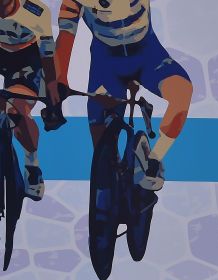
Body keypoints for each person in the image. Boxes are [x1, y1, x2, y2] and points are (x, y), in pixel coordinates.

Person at [56, 0, 192, 191]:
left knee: (182, 93)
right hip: (107, 64)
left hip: (148, 56)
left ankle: (155, 159)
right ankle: (110, 176)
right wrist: (59, 81)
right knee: (101, 149)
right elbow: (65, 37)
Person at [0, 0, 66, 199]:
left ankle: (32, 164)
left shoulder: (36, 12)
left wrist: (52, 87)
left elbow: (47, 54)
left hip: (26, 59)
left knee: (16, 109)